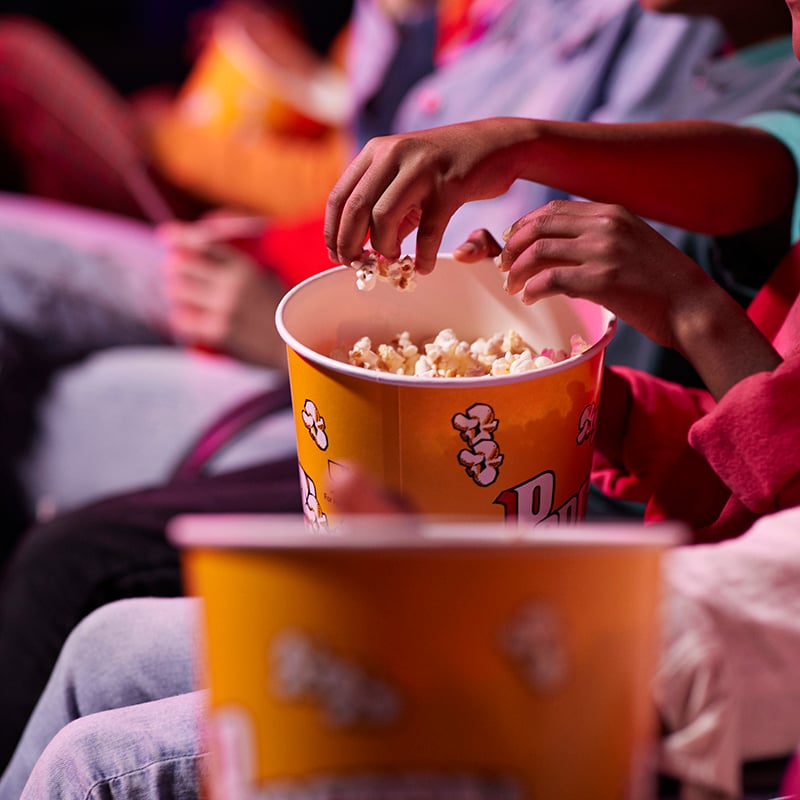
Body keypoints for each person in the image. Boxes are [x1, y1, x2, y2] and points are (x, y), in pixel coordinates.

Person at [2, 0, 800, 769]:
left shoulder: (645, 43)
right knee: (101, 639)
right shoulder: (726, 88)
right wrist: (599, 407)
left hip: (650, 639)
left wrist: (693, 314)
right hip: (612, 523)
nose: (796, 38)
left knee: (87, 681)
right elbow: (771, 170)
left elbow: (776, 524)